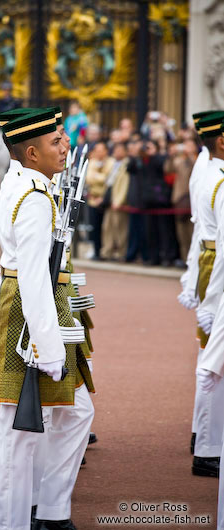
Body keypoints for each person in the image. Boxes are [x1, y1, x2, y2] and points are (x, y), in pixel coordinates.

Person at [0, 108, 94, 530]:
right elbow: (32, 278)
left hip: (41, 310)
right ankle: (9, 524)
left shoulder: (29, 182)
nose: (65, 144)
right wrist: (48, 348)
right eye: (55, 141)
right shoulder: (33, 197)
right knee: (17, 435)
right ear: (31, 153)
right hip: (31, 319)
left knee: (76, 411)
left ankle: (49, 510)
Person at [185, 111, 224, 477]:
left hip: (208, 261)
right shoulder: (217, 178)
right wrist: (210, 300)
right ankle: (209, 447)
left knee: (209, 357)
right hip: (216, 266)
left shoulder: (207, 169)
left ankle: (204, 436)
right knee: (214, 362)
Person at [100, 142, 130, 261]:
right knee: (107, 227)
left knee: (120, 229)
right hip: (109, 200)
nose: (116, 152)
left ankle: (121, 253)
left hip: (119, 202)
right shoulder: (112, 163)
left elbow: (125, 184)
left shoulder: (126, 164)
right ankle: (107, 251)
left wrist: (119, 201)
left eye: (119, 150)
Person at [85, 142, 113, 260]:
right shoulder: (92, 162)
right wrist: (99, 176)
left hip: (106, 200)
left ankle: (106, 251)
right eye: (97, 150)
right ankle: (96, 251)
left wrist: (97, 177)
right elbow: (89, 178)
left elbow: (108, 179)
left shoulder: (111, 162)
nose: (99, 152)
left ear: (106, 151)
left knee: (107, 228)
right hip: (93, 199)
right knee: (95, 227)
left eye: (101, 150)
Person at [125, 138, 149, 264]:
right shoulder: (134, 161)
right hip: (135, 200)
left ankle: (145, 255)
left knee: (144, 230)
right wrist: (134, 155)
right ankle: (131, 254)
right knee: (133, 230)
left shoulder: (146, 160)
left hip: (144, 200)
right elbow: (129, 168)